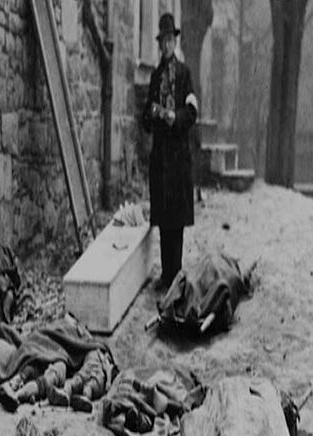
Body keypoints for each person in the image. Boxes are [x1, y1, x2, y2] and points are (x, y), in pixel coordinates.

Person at [141, 12, 199, 288]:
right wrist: (152, 113)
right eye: (162, 41)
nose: (166, 45)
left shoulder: (185, 74)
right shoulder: (154, 77)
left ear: (174, 42)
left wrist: (176, 117)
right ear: (159, 44)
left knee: (177, 217)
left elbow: (192, 112)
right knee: (164, 216)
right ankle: (167, 274)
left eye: (169, 40)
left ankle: (176, 272)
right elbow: (145, 122)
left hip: (178, 156)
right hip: (161, 158)